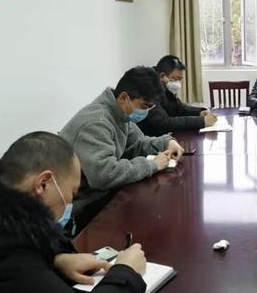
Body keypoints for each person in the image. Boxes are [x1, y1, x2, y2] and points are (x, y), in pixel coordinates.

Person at [0, 132, 148, 293]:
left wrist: (56, 260)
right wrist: (127, 272)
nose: (70, 203)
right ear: (43, 184)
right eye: (72, 193)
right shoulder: (1, 248)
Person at [60, 66, 184, 231]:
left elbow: (138, 143)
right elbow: (103, 176)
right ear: (124, 97)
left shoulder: (119, 112)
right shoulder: (97, 122)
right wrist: (152, 164)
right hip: (83, 207)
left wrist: (166, 142)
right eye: (144, 106)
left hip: (101, 195)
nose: (146, 112)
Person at [138, 55, 217, 136]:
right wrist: (202, 121)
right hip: (148, 138)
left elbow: (178, 107)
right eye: (176, 79)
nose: (177, 83)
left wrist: (200, 112)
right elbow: (163, 123)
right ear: (162, 76)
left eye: (180, 79)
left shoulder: (163, 85)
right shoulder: (149, 88)